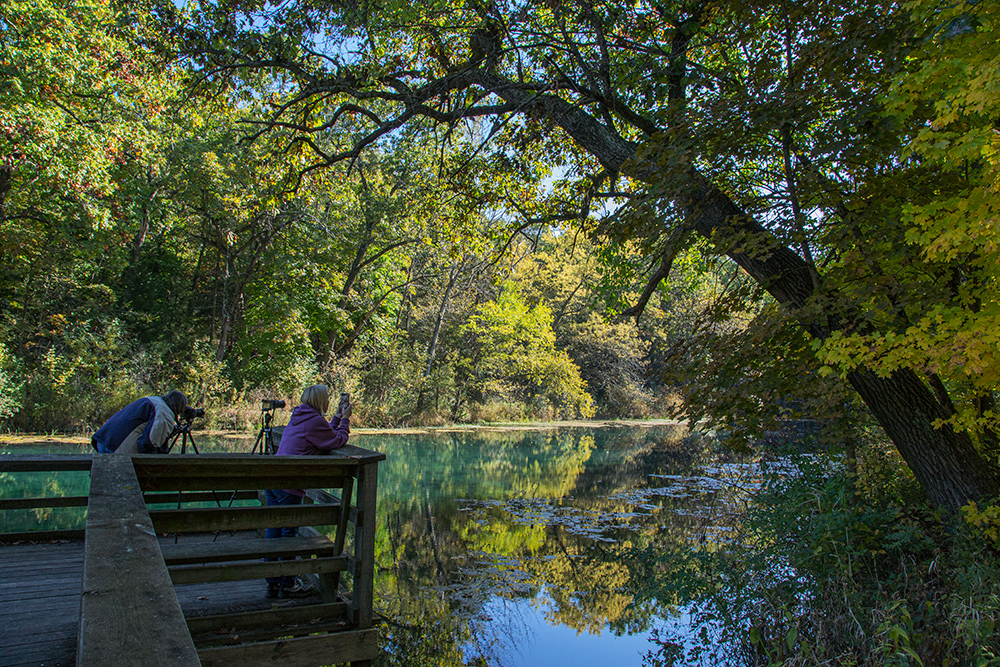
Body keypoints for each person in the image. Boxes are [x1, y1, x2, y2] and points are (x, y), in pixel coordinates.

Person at [265, 384, 352, 599]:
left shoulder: (299, 416)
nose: (330, 401)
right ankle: (288, 584)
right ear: (321, 401)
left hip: (274, 481)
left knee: (274, 533)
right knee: (289, 535)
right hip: (289, 486)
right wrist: (346, 420)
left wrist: (336, 419)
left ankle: (273, 583)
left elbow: (323, 434)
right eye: (328, 398)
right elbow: (337, 440)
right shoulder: (313, 421)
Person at [91, 390, 187, 454]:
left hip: (103, 440)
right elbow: (150, 443)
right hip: (116, 448)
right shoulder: (164, 412)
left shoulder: (153, 400)